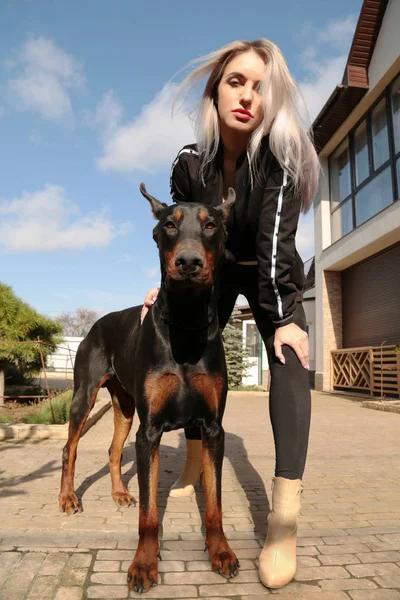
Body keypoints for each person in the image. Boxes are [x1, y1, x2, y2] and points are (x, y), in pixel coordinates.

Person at [141, 39, 319, 589]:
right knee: (185, 349)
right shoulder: (189, 162)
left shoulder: (281, 162)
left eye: (261, 86)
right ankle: (195, 459)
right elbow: (180, 227)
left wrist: (287, 315)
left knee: (291, 358)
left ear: (273, 99)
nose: (247, 95)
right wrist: (161, 288)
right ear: (215, 92)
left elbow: (270, 250)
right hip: (213, 273)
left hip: (272, 273)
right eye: (235, 82)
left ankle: (284, 518)